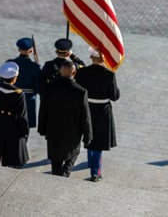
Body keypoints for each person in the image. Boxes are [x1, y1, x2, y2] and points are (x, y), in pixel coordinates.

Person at [38, 60, 92, 177]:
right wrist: (88, 136)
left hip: (53, 131)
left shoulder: (49, 87)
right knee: (72, 156)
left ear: (61, 71)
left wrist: (42, 129)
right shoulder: (81, 92)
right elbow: (85, 117)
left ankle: (58, 176)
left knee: (55, 163)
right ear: (74, 72)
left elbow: (43, 110)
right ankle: (65, 173)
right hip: (72, 133)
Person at [75, 47, 120, 182]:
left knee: (89, 135)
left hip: (86, 107)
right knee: (98, 142)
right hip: (102, 110)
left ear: (91, 58)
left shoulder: (81, 72)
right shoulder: (109, 75)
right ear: (103, 58)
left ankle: (90, 161)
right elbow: (114, 96)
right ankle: (95, 172)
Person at [0, 61, 29, 167]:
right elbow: (22, 116)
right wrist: (25, 131)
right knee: (12, 151)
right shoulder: (18, 94)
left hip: (0, 122)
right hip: (14, 125)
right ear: (15, 78)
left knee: (0, 147)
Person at [9, 37, 41, 128]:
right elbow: (39, 89)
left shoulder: (10, 63)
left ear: (18, 49)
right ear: (30, 51)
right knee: (24, 130)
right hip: (28, 101)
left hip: (12, 99)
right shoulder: (35, 67)